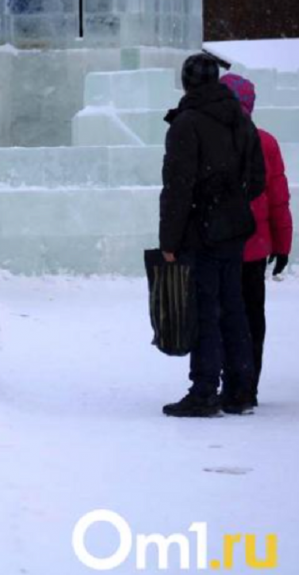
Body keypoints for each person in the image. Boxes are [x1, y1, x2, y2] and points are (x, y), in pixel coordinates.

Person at [159, 54, 266, 417]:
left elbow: (178, 188)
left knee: (204, 310)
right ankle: (241, 390)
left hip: (201, 231)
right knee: (233, 307)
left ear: (186, 82)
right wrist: (231, 201)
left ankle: (205, 391)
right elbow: (257, 181)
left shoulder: (186, 124)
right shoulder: (240, 120)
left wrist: (169, 242)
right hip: (234, 229)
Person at [219, 73, 293, 406]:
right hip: (255, 245)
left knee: (223, 313)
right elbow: (278, 198)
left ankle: (229, 380)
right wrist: (283, 243)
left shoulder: (212, 138)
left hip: (219, 242)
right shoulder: (265, 141)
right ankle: (248, 385)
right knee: (252, 314)